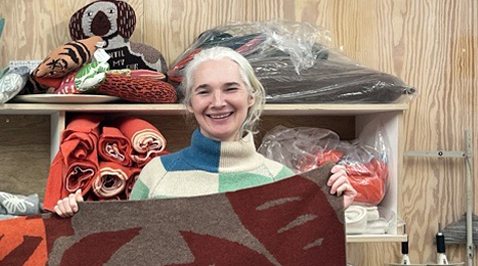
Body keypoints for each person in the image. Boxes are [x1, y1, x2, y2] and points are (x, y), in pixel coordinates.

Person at [54, 46, 355, 216]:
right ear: (189, 103)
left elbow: (305, 262)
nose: (218, 102)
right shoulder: (156, 175)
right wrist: (77, 219)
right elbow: (126, 253)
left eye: (231, 89)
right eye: (204, 92)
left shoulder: (282, 182)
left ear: (251, 98)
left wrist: (332, 209)